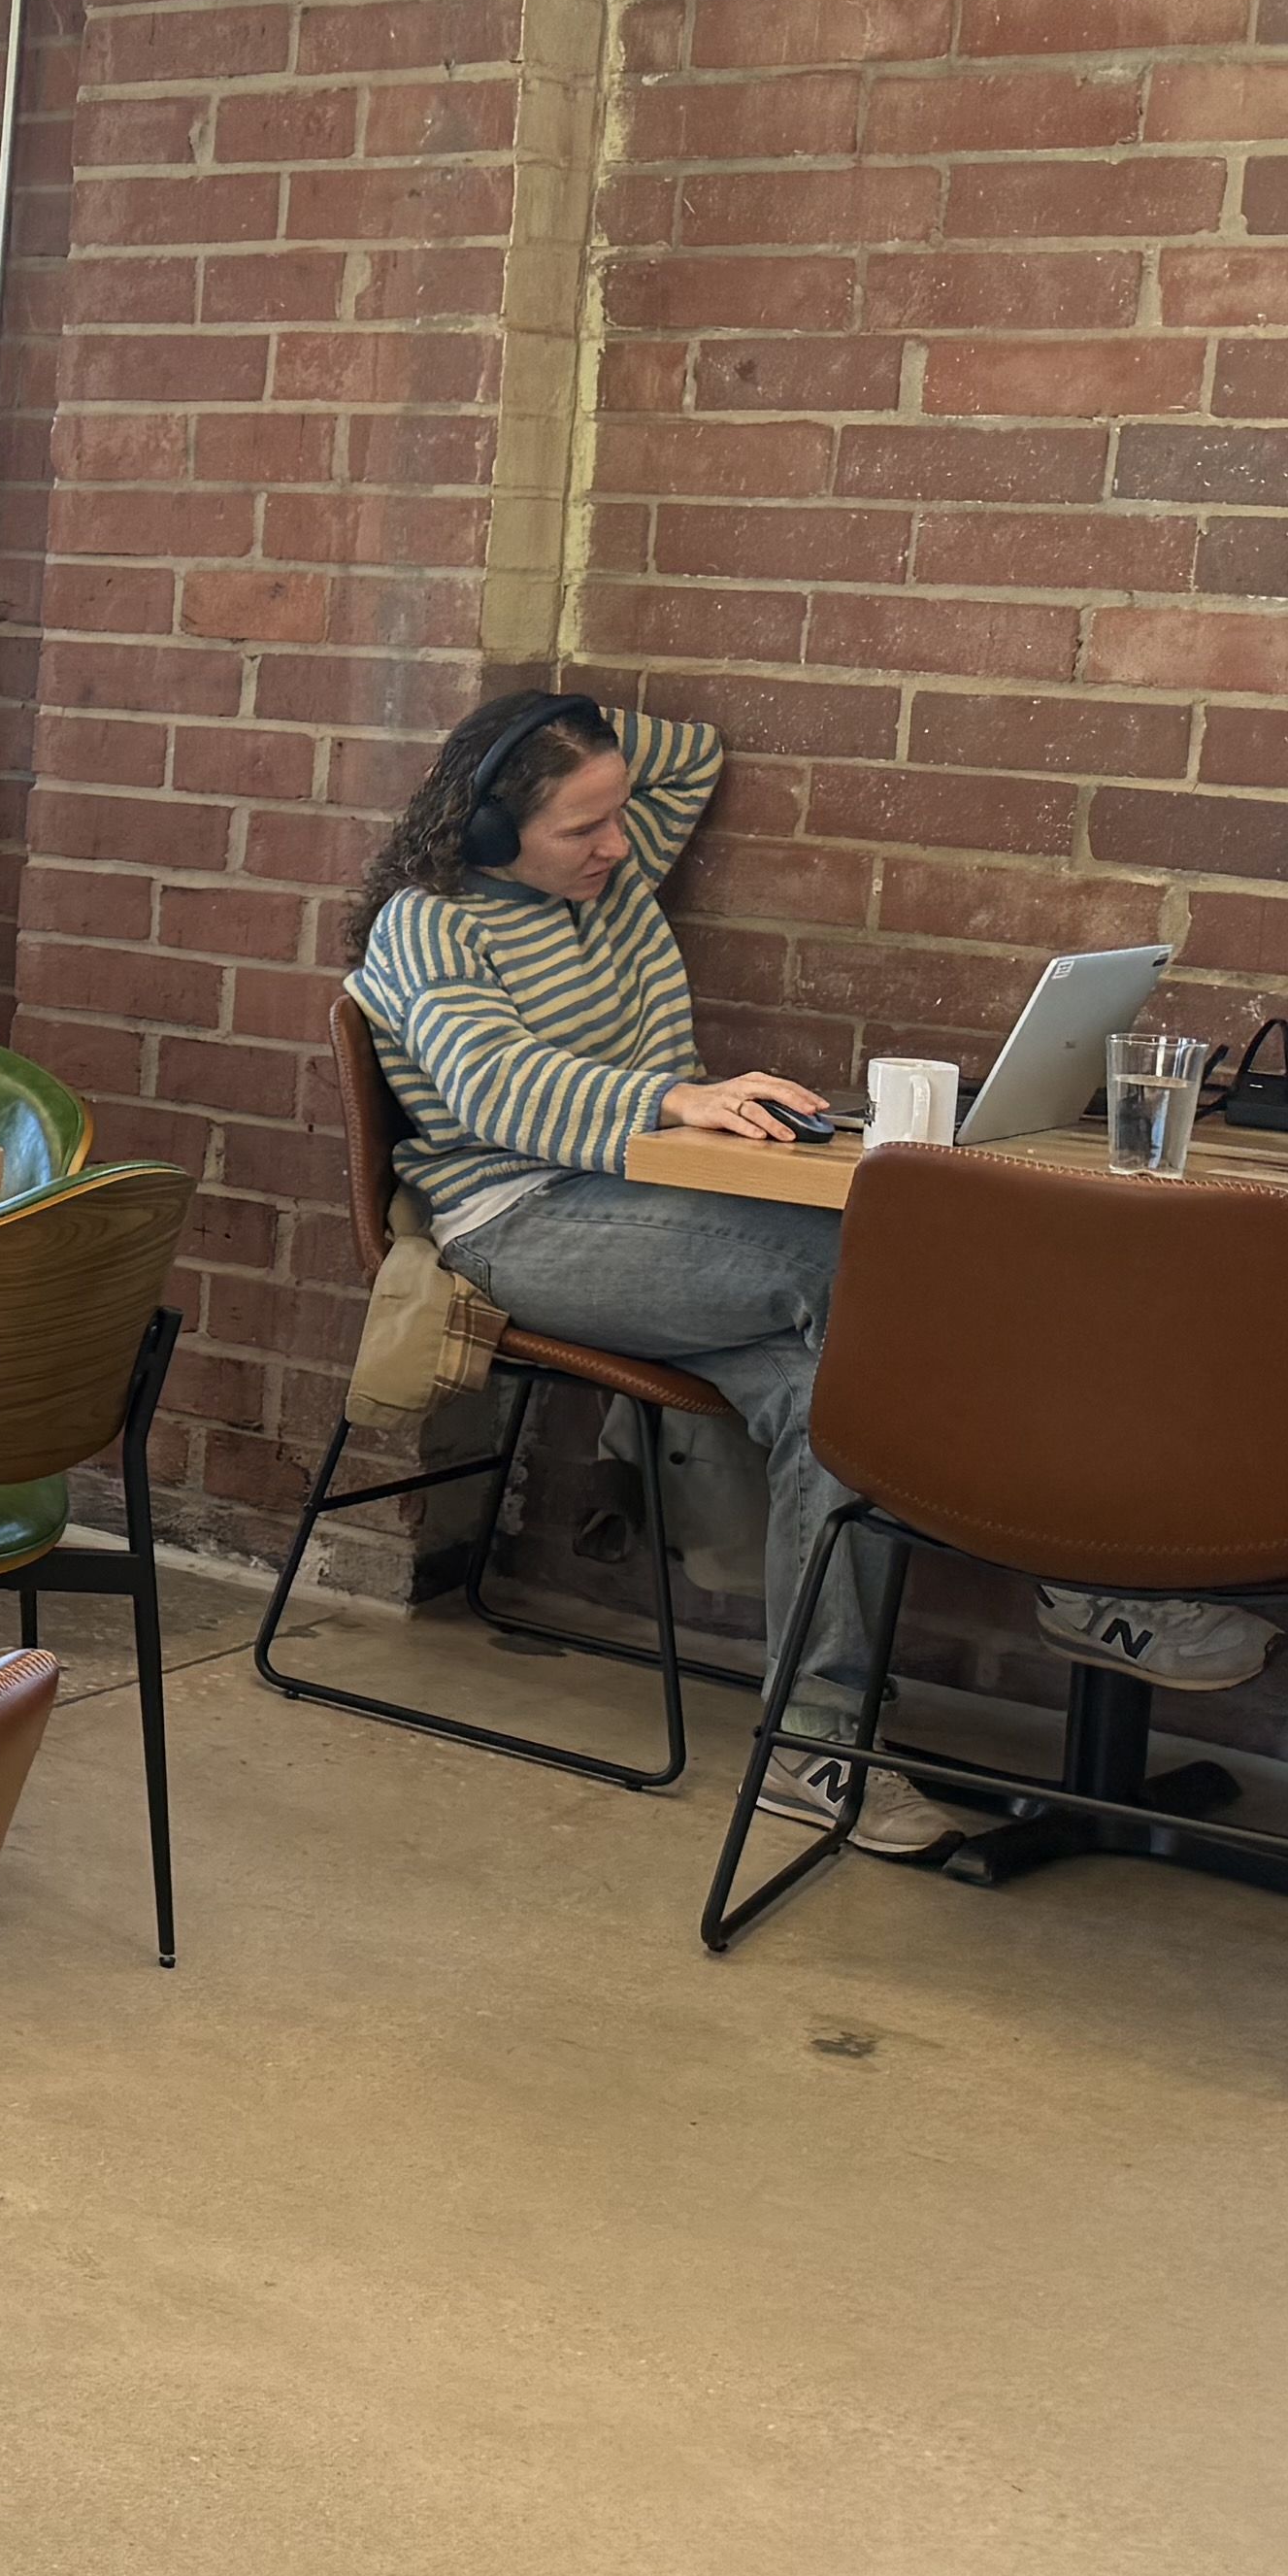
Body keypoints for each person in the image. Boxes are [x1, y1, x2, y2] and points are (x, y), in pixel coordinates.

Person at [347, 691, 940, 1858]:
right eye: (581, 825)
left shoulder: (608, 868)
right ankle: (1097, 1583)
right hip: (520, 1219)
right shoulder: (434, 922)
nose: (617, 843)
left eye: (618, 816)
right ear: (481, 829)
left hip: (660, 1210)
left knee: (837, 1396)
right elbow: (496, 1088)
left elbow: (693, 752)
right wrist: (674, 1096)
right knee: (877, 1275)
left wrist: (557, 731)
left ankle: (816, 1744)